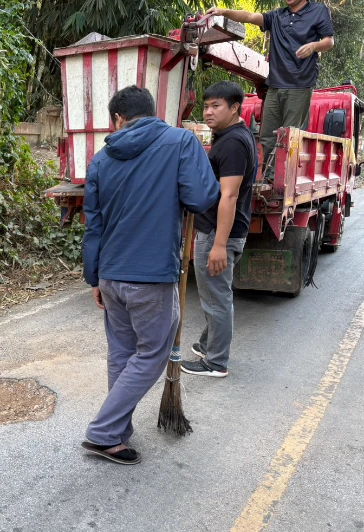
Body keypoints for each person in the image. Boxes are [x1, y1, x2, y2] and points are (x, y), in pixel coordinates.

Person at [82, 86, 219, 465]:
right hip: (152, 274)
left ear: (118, 120)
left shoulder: (100, 159)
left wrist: (94, 277)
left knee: (122, 353)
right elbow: (202, 198)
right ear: (152, 112)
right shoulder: (180, 142)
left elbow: (93, 225)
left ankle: (116, 433)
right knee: (152, 354)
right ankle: (103, 432)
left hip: (110, 273)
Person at [181, 82, 258, 378]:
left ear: (234, 107)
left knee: (216, 297)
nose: (209, 112)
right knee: (214, 295)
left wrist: (218, 245)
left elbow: (229, 195)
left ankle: (215, 362)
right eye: (207, 106)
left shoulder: (233, 143)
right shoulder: (231, 136)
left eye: (216, 106)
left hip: (218, 232)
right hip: (219, 229)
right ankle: (207, 343)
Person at [207, 1, 334, 177]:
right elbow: (249, 17)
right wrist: (224, 11)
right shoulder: (277, 16)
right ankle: (270, 177)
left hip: (300, 83)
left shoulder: (319, 11)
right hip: (275, 84)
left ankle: (284, 179)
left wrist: (314, 46)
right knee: (267, 136)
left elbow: (329, 41)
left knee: (289, 136)